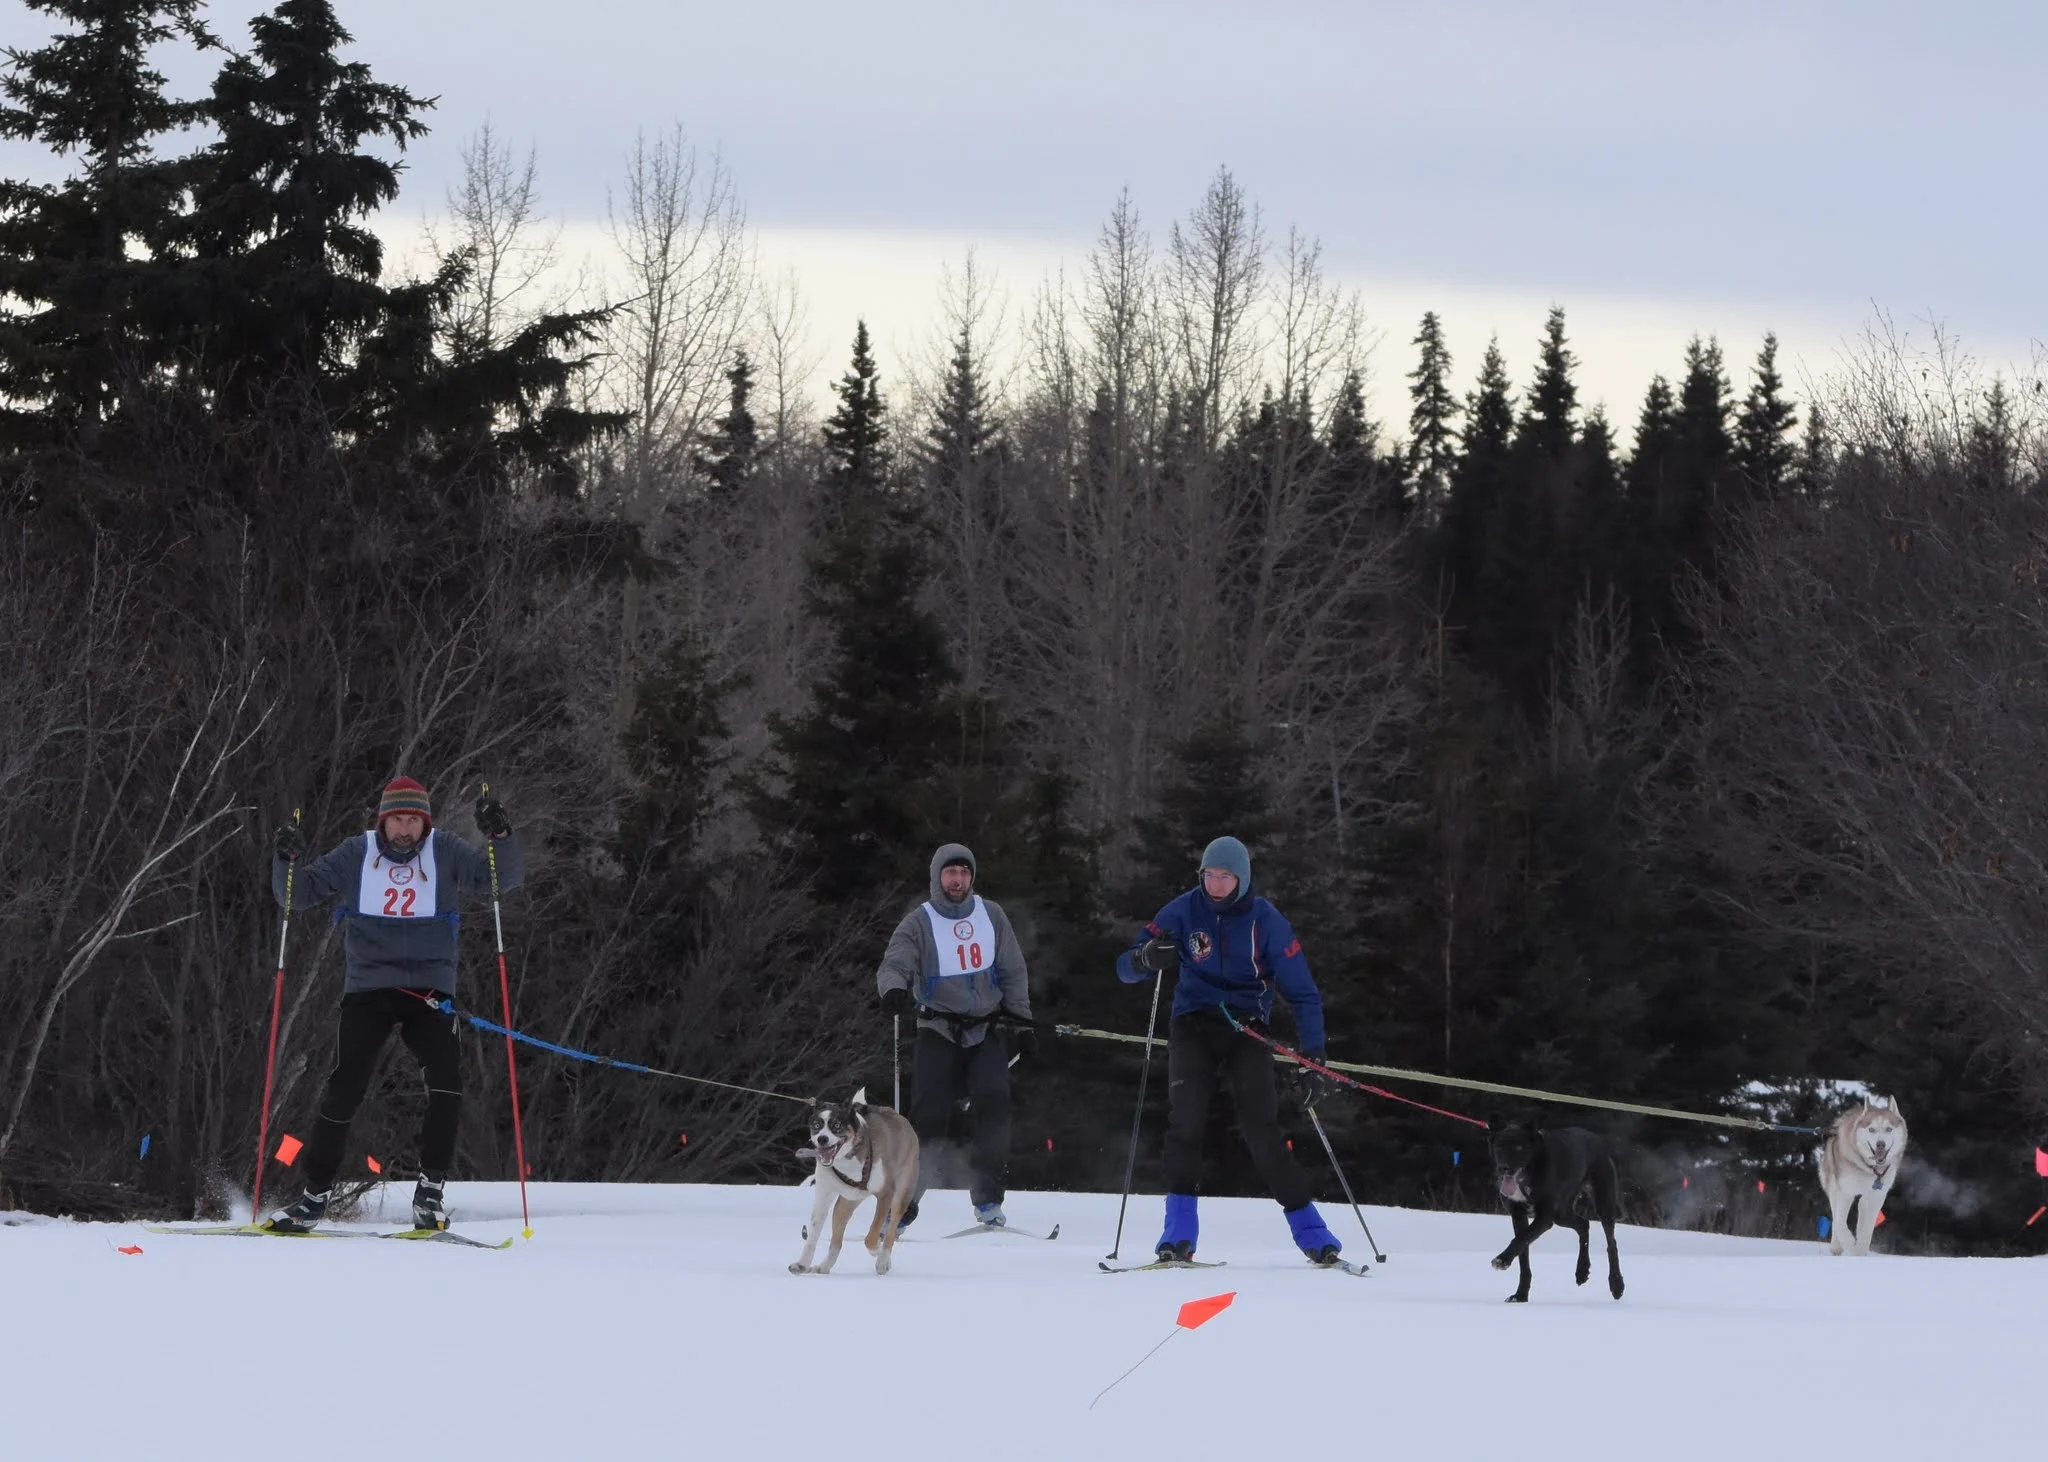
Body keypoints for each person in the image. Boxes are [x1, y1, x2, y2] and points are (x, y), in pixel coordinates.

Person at [264, 776, 524, 1233]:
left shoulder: (443, 850)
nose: (405, 830)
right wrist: (285, 858)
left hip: (430, 990)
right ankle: (314, 1196)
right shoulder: (355, 853)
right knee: (345, 1084)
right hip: (369, 986)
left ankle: (430, 1192)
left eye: (413, 821)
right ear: (382, 822)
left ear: (425, 823)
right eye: (397, 821)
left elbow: (498, 882)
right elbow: (295, 894)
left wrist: (500, 837)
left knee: (446, 1082)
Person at [1116, 834, 1342, 1264]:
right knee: (1186, 1123)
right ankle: (1178, 1234)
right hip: (1193, 1026)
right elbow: (1125, 966)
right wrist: (1145, 958)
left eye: (1225, 877)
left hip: (1246, 1029)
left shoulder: (1266, 920)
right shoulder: (1183, 909)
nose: (1216, 885)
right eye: (1209, 875)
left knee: (1262, 1128)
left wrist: (1313, 1057)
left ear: (1242, 879)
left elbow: (1304, 994)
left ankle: (1312, 1232)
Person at [876, 843, 1033, 1229]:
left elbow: (1013, 970)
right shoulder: (920, 921)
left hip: (986, 1030)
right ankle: (903, 1206)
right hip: (938, 1029)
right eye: (951, 873)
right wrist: (893, 989)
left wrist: (1023, 1023)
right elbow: (895, 961)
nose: (958, 880)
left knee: (995, 1107)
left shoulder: (990, 915)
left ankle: (989, 1202)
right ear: (937, 877)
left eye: (964, 873)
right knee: (929, 1117)